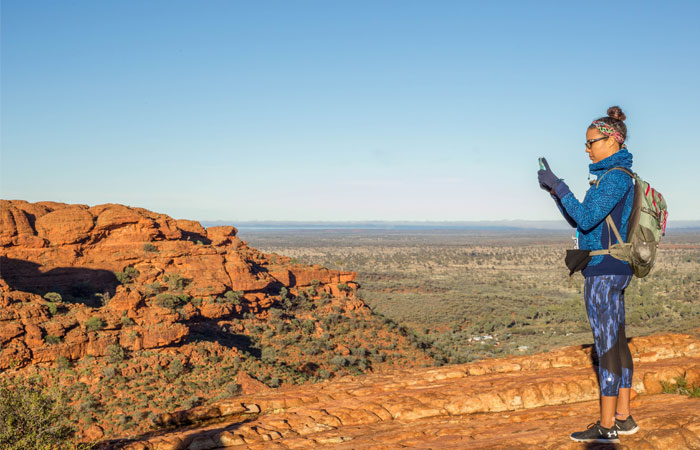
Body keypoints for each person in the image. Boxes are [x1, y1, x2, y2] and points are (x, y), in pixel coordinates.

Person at [538, 106, 640, 444]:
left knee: (606, 347)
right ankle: (623, 418)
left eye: (590, 142)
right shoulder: (613, 176)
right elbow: (583, 219)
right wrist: (555, 192)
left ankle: (607, 424)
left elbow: (585, 218)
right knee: (617, 343)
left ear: (612, 140)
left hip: (604, 272)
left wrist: (561, 185)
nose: (587, 148)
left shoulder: (615, 178)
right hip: (612, 269)